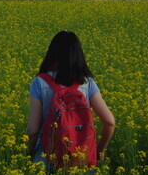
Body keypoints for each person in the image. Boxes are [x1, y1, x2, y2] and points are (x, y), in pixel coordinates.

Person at [26, 30, 115, 168]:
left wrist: (28, 154)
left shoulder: (39, 83)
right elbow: (110, 122)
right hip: (81, 157)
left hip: (47, 155)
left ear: (52, 53)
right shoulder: (87, 82)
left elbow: (33, 130)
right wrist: (99, 151)